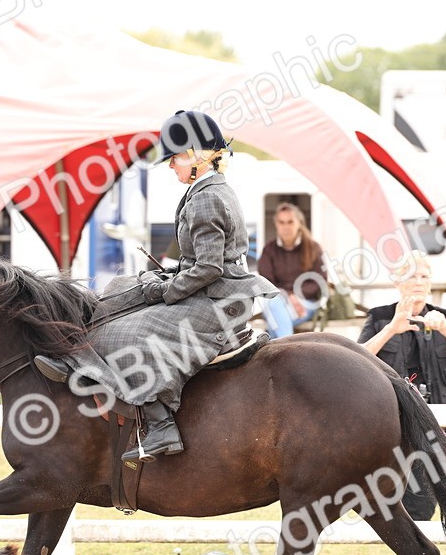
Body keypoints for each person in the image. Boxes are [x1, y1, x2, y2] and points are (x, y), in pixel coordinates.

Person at [34, 110, 279, 464]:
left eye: (176, 157)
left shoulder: (207, 196)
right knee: (121, 288)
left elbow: (210, 267)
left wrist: (166, 290)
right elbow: (203, 262)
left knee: (126, 335)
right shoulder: (205, 190)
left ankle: (159, 423)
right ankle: (77, 362)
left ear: (198, 155)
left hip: (220, 302)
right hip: (214, 291)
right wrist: (163, 277)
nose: (171, 166)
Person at [357, 252, 446, 555]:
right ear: (397, 282)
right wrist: (392, 330)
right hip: (402, 429)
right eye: (411, 277)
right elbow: (354, 356)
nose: (418, 284)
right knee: (416, 505)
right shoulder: (381, 317)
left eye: (424, 277)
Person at [257, 202, 328, 337]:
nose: (286, 227)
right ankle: (287, 350)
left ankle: (282, 350)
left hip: (306, 303)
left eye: (290, 222)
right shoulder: (269, 250)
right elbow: (265, 282)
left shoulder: (313, 248)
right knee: (275, 304)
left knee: (274, 317)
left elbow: (319, 281)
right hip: (278, 301)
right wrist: (288, 296)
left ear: (299, 223)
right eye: (281, 222)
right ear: (276, 224)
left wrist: (297, 296)